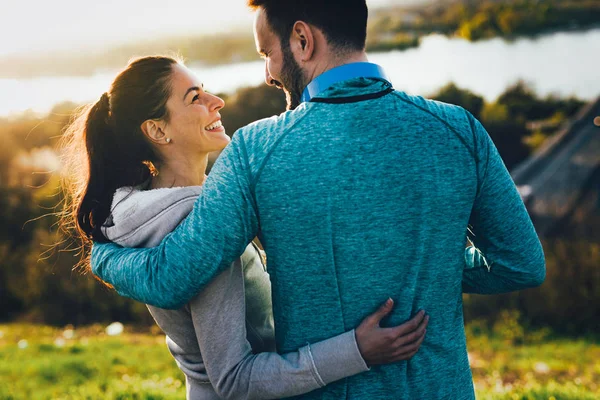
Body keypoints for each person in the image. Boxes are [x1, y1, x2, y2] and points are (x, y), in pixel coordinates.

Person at [91, 0, 546, 398]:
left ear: (302, 40)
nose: (268, 72)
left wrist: (105, 259)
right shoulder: (458, 130)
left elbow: (174, 275)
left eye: (268, 53)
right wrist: (420, 260)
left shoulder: (256, 151)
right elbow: (520, 263)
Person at [61, 55, 432, 399]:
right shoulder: (195, 226)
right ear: (158, 131)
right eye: (195, 97)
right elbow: (234, 379)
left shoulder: (143, 210)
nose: (216, 101)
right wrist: (356, 350)